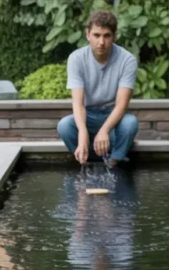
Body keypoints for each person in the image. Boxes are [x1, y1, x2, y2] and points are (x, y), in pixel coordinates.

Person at [57, 10, 138, 167]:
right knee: (64, 126)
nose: (101, 42)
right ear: (88, 34)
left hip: (113, 118)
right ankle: (85, 159)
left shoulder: (127, 60)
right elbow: (78, 103)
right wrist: (82, 133)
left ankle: (114, 162)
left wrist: (105, 130)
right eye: (96, 35)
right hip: (88, 116)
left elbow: (122, 105)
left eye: (106, 36)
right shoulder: (76, 59)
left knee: (130, 123)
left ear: (114, 36)